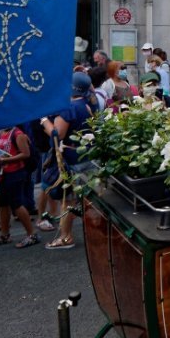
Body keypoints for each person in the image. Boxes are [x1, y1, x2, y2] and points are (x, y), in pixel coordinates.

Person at [41, 72, 97, 250]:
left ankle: (66, 236)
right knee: (88, 199)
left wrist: (44, 121)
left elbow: (58, 134)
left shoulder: (69, 108)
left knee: (69, 200)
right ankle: (95, 233)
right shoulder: (87, 105)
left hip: (72, 160)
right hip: (87, 156)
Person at [0, 123, 41, 248]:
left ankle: (32, 234)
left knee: (16, 204)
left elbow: (25, 154)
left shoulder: (18, 133)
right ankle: (4, 234)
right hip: (4, 174)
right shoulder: (3, 133)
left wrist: (4, 160)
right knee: (3, 203)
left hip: (16, 173)